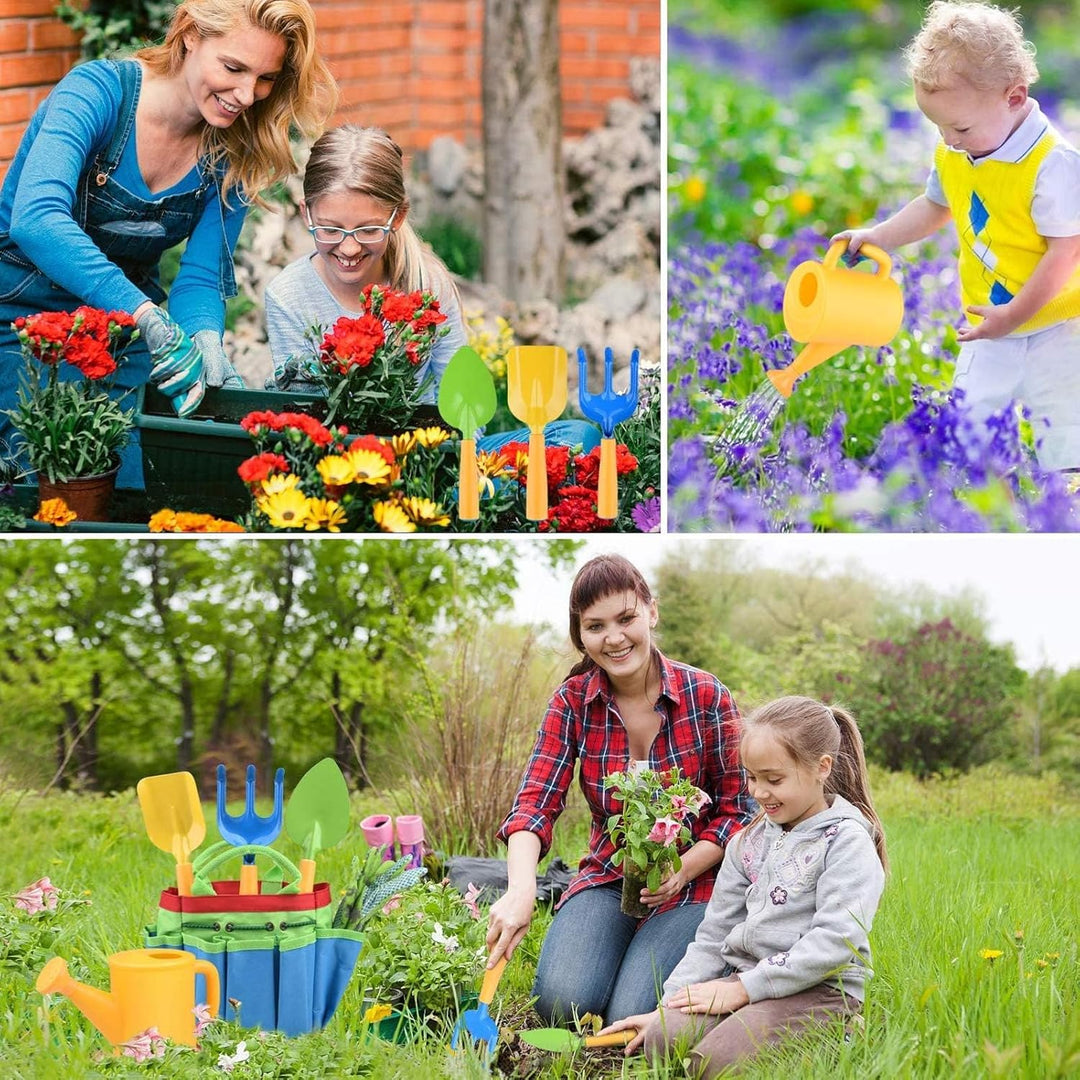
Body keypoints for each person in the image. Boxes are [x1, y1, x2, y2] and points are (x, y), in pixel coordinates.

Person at [0, 0, 337, 486]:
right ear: (189, 35)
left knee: (148, 483)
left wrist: (204, 338)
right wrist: (144, 313)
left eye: (265, 78)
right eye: (233, 67)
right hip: (22, 322)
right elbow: (36, 220)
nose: (246, 94)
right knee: (51, 483)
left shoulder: (234, 147)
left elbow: (199, 276)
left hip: (120, 335)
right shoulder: (97, 94)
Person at [487, 553, 753, 1023]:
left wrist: (683, 869)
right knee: (561, 1004)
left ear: (651, 611)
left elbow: (738, 811)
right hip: (608, 879)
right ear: (580, 635)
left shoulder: (707, 696)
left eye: (626, 618)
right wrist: (521, 888)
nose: (614, 638)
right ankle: (616, 941)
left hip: (694, 885)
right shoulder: (572, 702)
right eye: (595, 626)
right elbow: (534, 804)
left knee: (632, 1012)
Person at [834, 0, 1080, 473]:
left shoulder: (1052, 165)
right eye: (938, 126)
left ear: (1013, 97)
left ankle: (1063, 515)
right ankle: (986, 511)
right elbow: (934, 206)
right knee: (971, 426)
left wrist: (1016, 314)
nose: (948, 139)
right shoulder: (956, 154)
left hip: (1059, 324)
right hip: (987, 321)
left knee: (1067, 430)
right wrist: (878, 237)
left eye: (959, 126)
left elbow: (1066, 252)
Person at [264, 124, 600, 453]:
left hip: (433, 454)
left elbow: (464, 404)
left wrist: (448, 458)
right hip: (345, 462)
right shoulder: (288, 296)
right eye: (331, 229)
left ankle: (470, 495)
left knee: (576, 436)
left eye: (368, 230)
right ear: (307, 213)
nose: (349, 248)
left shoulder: (425, 281)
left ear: (397, 217)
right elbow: (304, 421)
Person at [598, 695, 888, 1077]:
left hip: (819, 991)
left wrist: (745, 989)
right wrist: (666, 1008)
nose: (759, 792)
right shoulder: (745, 842)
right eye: (752, 777)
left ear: (822, 768)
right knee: (660, 1042)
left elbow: (834, 942)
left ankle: (842, 1033)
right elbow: (713, 934)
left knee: (712, 1064)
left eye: (774, 779)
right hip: (744, 981)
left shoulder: (845, 842)